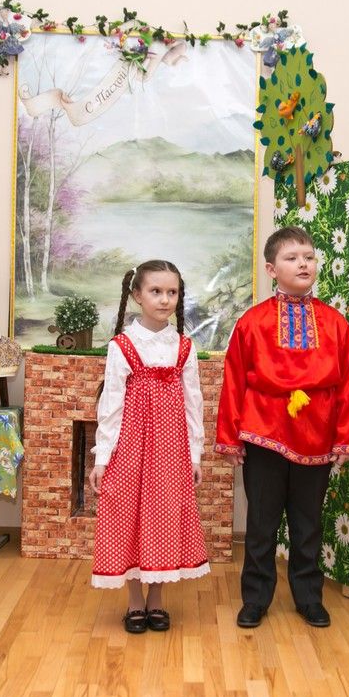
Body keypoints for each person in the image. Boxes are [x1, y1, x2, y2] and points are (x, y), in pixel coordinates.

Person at [216, 226, 349, 629]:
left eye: (309, 257)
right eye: (292, 258)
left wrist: (347, 437)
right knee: (261, 524)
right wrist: (229, 437)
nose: (303, 264)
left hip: (317, 432)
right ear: (271, 269)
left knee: (308, 523)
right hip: (264, 431)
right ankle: (255, 599)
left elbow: (347, 383)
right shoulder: (252, 322)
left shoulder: (335, 323)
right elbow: (234, 380)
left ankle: (309, 597)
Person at [88, 260, 210, 634]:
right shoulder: (122, 346)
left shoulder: (184, 347)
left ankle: (157, 598)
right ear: (137, 295)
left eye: (172, 292)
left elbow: (193, 403)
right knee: (128, 516)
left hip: (171, 450)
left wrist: (194, 454)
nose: (164, 299)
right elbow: (111, 404)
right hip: (130, 448)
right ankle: (134, 601)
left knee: (164, 518)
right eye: (156, 291)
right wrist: (102, 458)